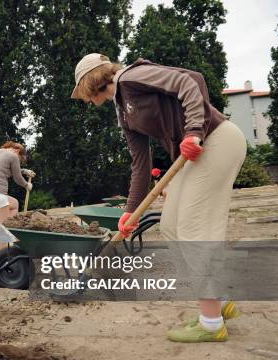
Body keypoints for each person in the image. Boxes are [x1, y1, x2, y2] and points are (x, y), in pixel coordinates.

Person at [71, 53, 246, 343]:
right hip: (197, 154)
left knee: (191, 229)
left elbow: (191, 80)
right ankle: (219, 298)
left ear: (91, 83)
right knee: (171, 226)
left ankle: (212, 323)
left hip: (217, 139)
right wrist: (130, 212)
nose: (87, 101)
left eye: (84, 95)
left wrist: (193, 131)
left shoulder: (130, 77)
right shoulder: (123, 113)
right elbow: (140, 164)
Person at [0, 141, 34, 224]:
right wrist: (26, 185)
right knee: (3, 227)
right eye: (20, 158)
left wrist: (24, 171)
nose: (18, 160)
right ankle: (7, 230)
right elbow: (17, 178)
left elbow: (6, 169)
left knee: (14, 204)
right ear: (17, 151)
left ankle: (12, 226)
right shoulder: (13, 156)